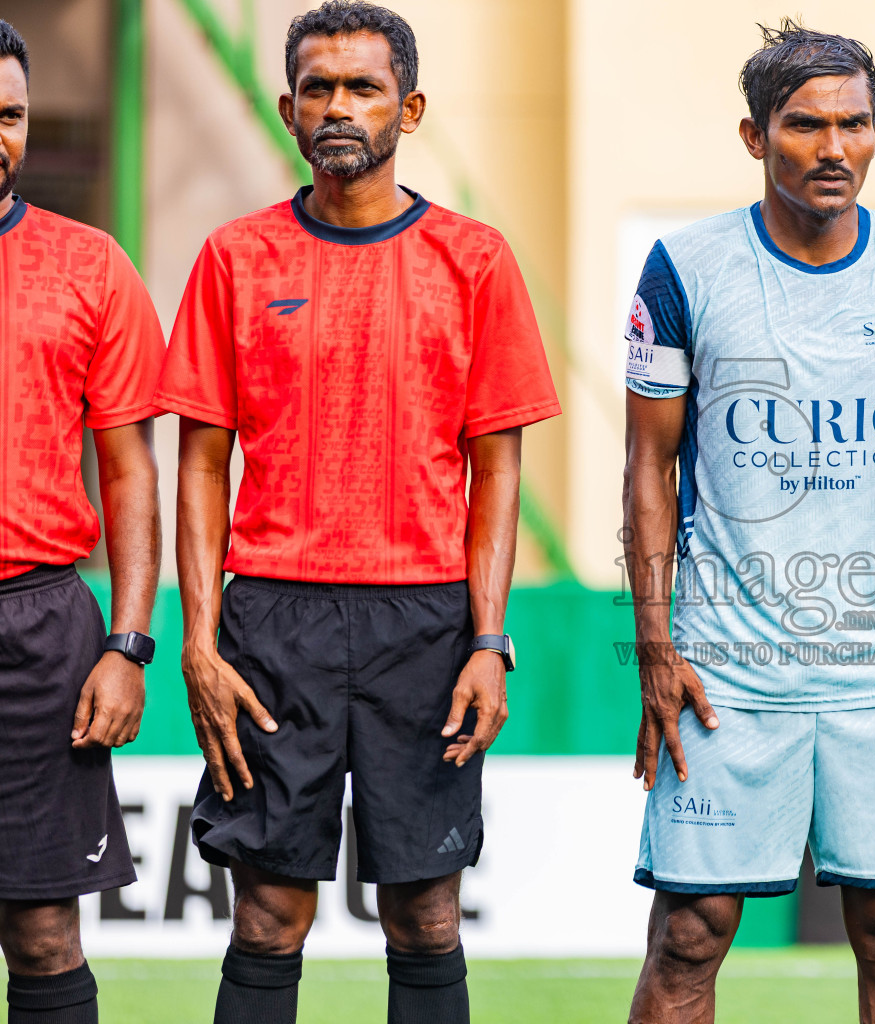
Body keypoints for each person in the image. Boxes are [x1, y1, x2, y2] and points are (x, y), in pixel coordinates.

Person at [153, 4, 559, 1023]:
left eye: (363, 87)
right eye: (319, 87)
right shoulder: (233, 259)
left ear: (409, 108)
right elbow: (200, 464)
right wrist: (198, 641)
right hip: (271, 622)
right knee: (268, 914)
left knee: (423, 913)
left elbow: (495, 468)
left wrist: (489, 638)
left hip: (423, 625)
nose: (340, 106)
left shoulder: (475, 260)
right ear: (289, 109)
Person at [621, 19, 875, 1024]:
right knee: (690, 933)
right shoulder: (682, 269)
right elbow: (648, 463)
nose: (833, 149)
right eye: (804, 125)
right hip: (725, 667)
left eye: (855, 124)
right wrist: (655, 639)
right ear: (754, 136)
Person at [0, 20, 165, 1024]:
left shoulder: (90, 265)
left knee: (46, 932)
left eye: (10, 114)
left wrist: (129, 644)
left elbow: (130, 473)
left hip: (39, 630)